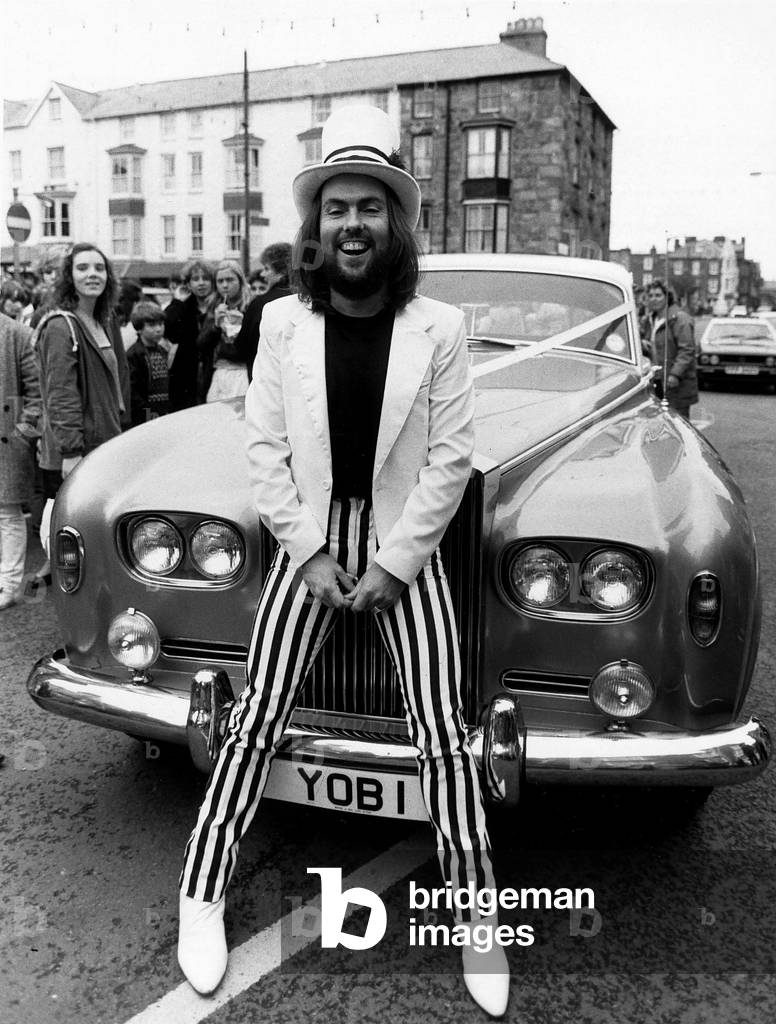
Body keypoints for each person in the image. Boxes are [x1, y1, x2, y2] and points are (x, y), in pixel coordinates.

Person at [177, 105, 508, 1018]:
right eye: (335, 208)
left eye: (368, 207)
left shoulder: (439, 325)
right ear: (314, 226)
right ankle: (201, 893)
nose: (351, 224)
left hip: (404, 550)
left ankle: (478, 913)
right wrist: (311, 554)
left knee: (442, 734)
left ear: (393, 222)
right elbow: (264, 450)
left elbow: (450, 458)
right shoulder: (281, 322)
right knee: (254, 720)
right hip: (310, 544)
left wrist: (396, 565)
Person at [34, 243, 130, 519]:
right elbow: (61, 394)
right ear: (69, 276)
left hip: (103, 443)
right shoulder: (60, 326)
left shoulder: (102, 321)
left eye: (99, 268)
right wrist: (71, 452)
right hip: (76, 451)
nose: (92, 274)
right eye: (82, 268)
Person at [0, 311, 41, 610]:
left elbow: (36, 394)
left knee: (7, 511)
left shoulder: (16, 334)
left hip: (7, 437)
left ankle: (9, 584)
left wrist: (22, 434)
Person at [230, 242, 293, 379]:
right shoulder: (306, 299)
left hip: (265, 379)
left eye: (266, 268)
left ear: (281, 271)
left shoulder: (261, 303)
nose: (263, 274)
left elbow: (242, 347)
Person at [164, 260, 216, 410]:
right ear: (188, 283)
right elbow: (166, 328)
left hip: (212, 370)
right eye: (195, 279)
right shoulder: (183, 306)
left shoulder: (218, 305)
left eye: (206, 278)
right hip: (186, 372)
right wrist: (177, 301)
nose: (201, 283)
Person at [196, 260, 251, 402]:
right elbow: (201, 344)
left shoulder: (250, 305)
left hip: (244, 372)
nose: (225, 285)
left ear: (240, 281)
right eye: (220, 281)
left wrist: (242, 324)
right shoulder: (214, 306)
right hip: (219, 371)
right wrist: (215, 325)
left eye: (230, 280)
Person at [644, 280, 698, 418]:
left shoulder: (680, 319)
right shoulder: (649, 320)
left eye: (658, 295)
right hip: (656, 381)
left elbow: (687, 350)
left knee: (677, 421)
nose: (653, 299)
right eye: (650, 295)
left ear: (667, 297)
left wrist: (675, 374)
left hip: (676, 385)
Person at [126, 301, 173, 425]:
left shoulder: (163, 351)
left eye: (161, 324)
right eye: (152, 325)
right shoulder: (134, 354)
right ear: (139, 328)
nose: (158, 329)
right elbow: (132, 390)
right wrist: (145, 412)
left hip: (164, 410)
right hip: (143, 414)